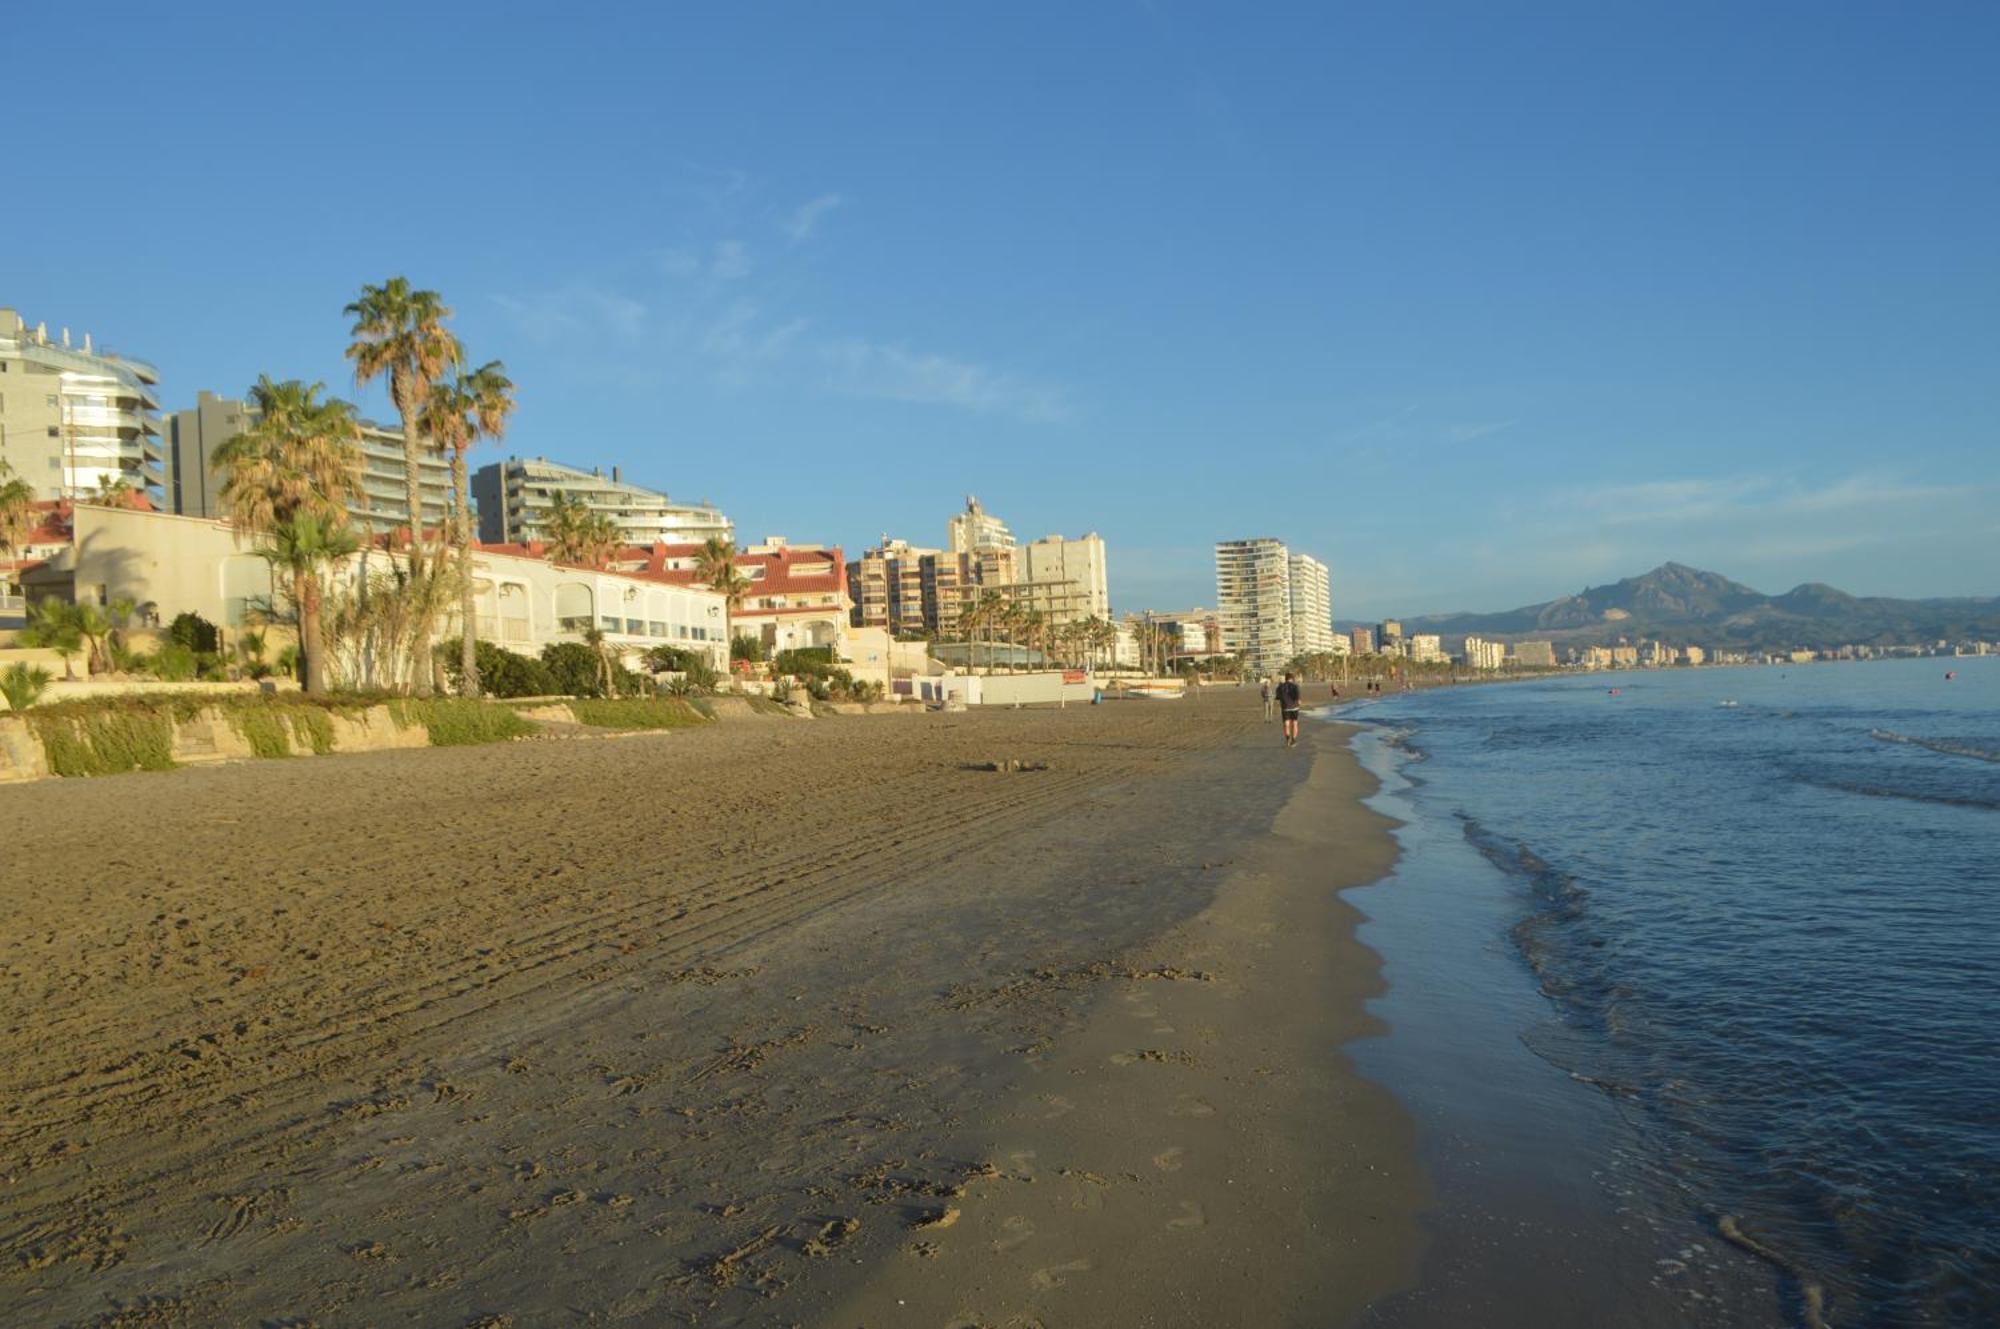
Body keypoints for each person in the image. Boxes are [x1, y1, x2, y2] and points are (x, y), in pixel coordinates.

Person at [1276, 671, 1302, 747]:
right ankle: (1293, 740)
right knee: (1295, 723)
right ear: (1292, 679)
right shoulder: (1295, 686)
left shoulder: (1280, 686)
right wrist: (1298, 701)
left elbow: (1277, 697)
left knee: (1286, 724)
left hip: (1285, 707)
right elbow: (1298, 699)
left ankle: (1288, 738)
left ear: (1286, 678)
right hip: (1294, 707)